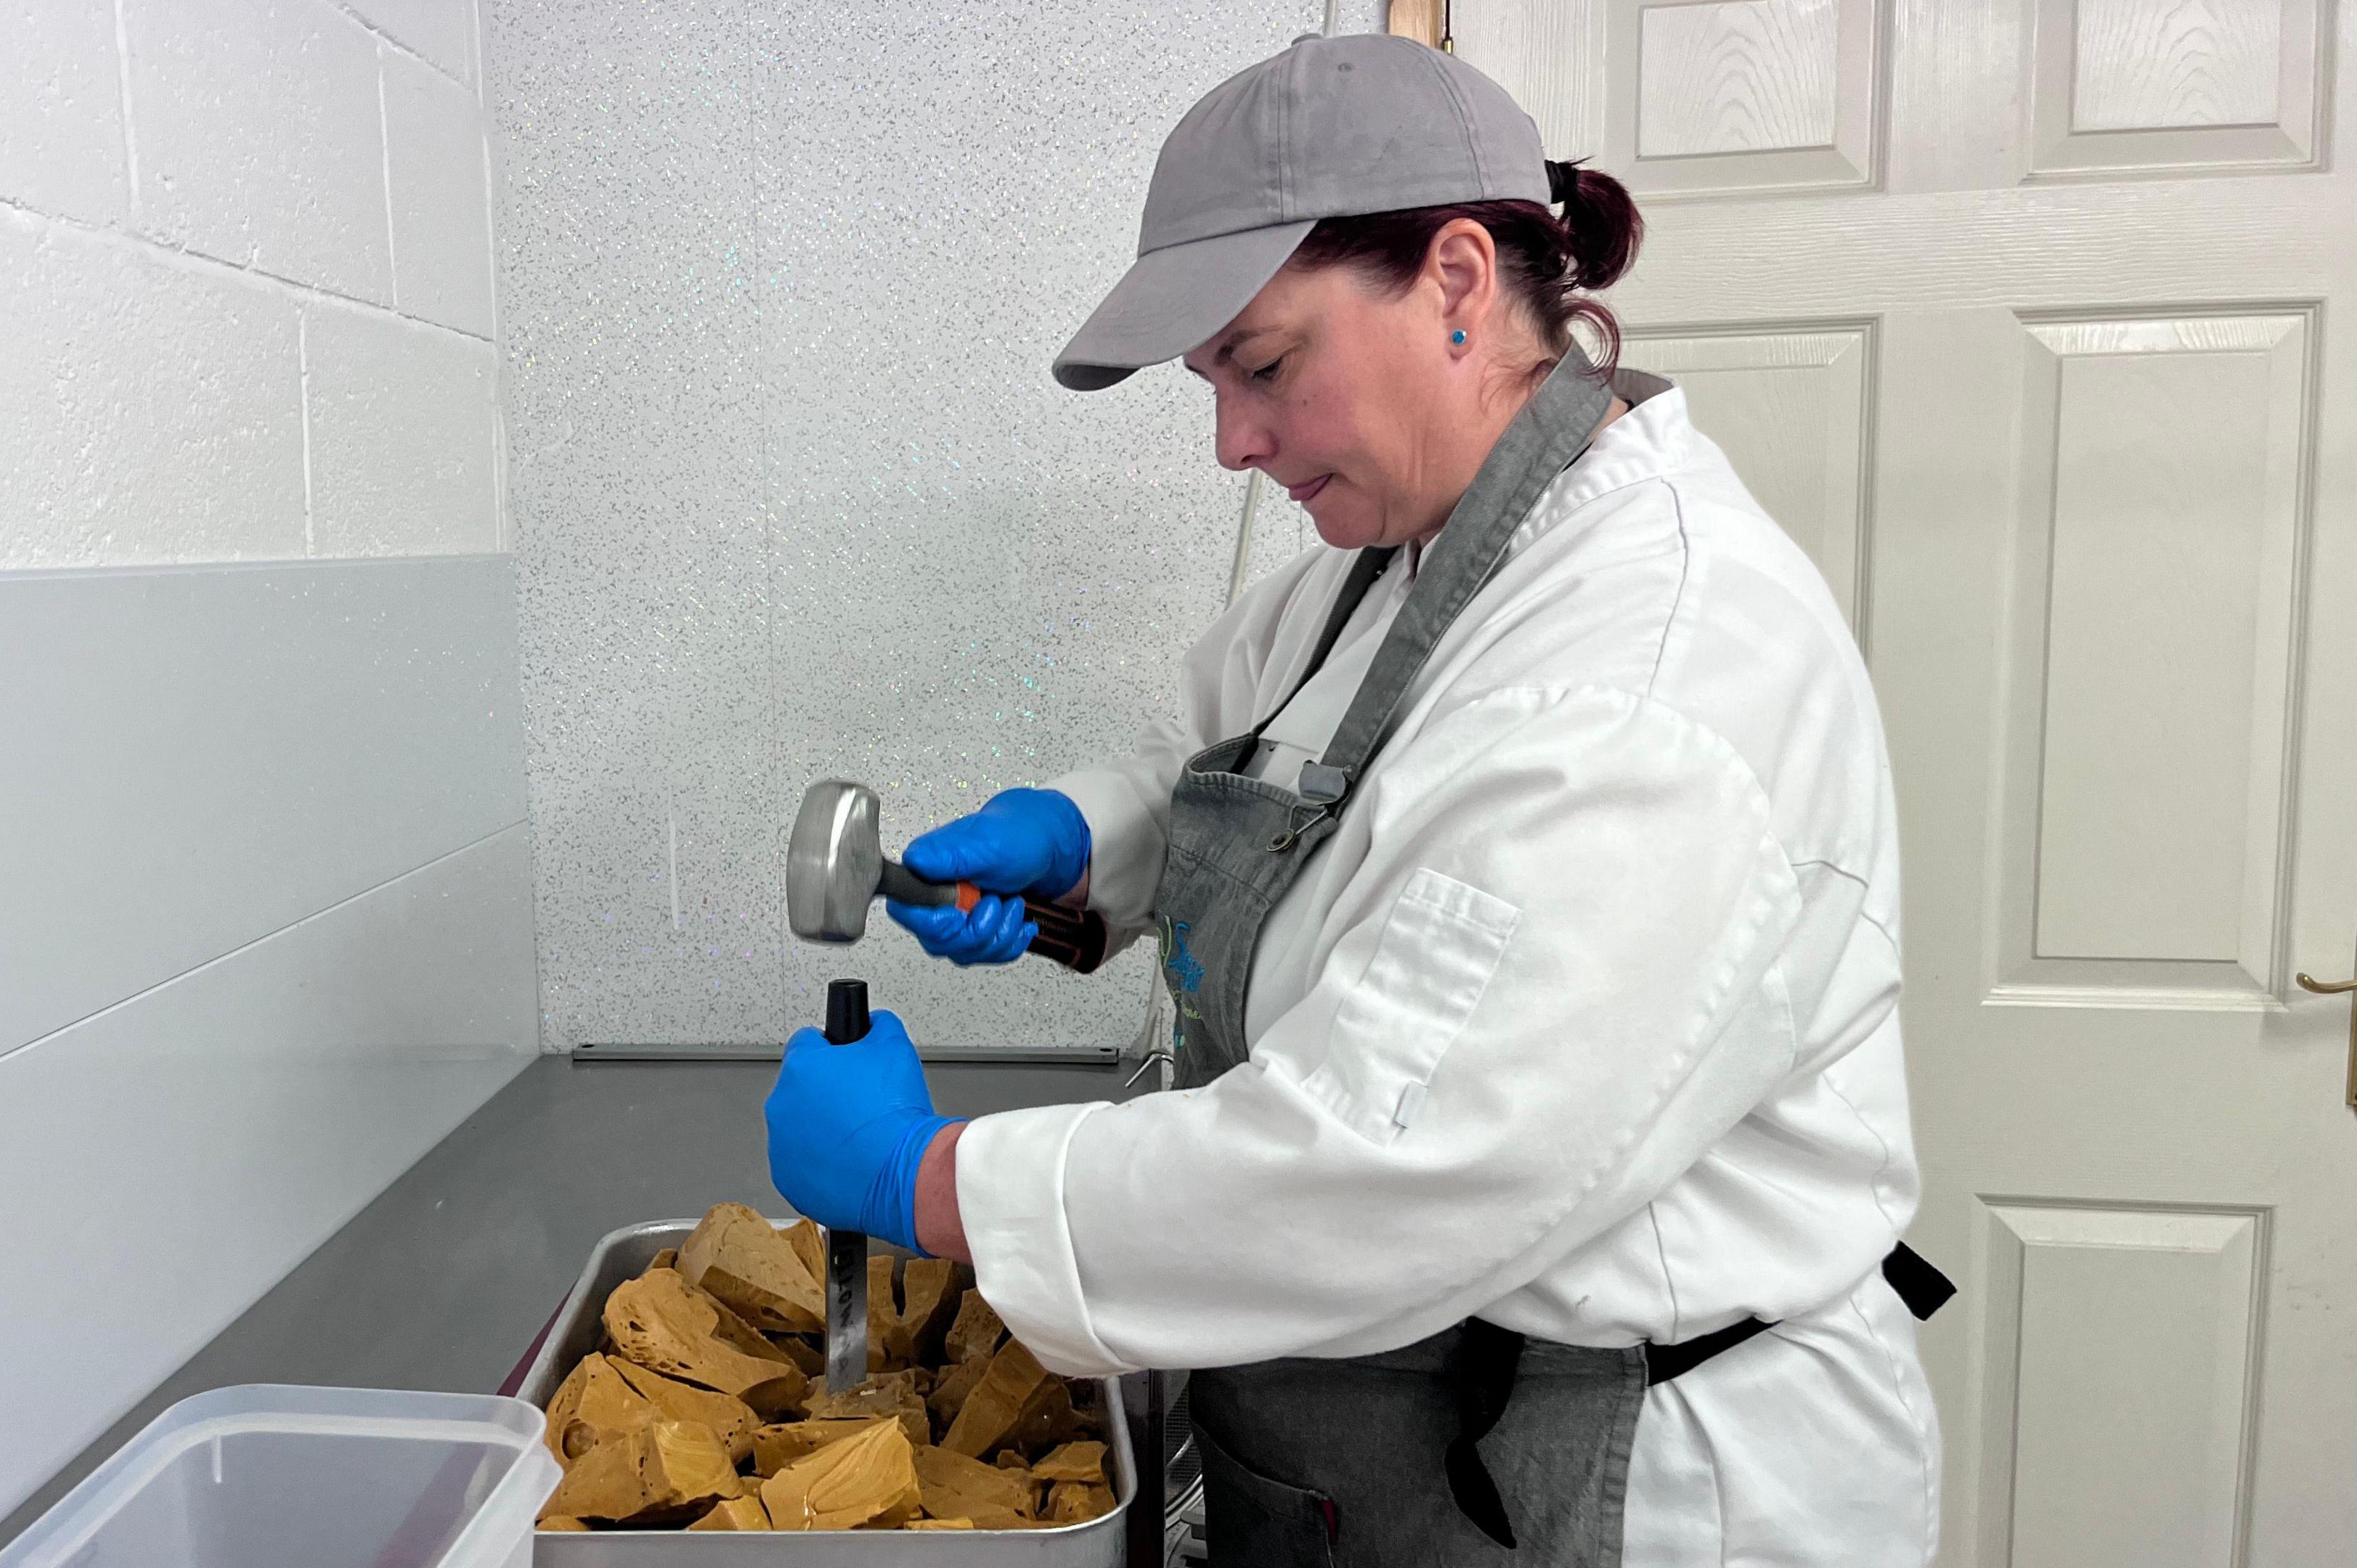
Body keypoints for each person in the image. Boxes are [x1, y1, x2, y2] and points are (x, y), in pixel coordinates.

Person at [765, 33, 1946, 1567]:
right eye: (1214, 386)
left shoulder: (1658, 664)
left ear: (1458, 280)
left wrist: (933, 1186)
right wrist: (1087, 849)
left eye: (1262, 365)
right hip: (1402, 1435)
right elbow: (1290, 777)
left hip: (1628, 1478)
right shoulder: (1397, 570)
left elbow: (1389, 1168)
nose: (1232, 445)